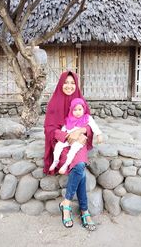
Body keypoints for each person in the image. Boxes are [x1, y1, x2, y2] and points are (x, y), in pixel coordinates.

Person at [44, 71, 96, 231]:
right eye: (66, 82)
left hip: (79, 142)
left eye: (72, 83)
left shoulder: (79, 100)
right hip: (61, 144)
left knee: (79, 165)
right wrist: (67, 136)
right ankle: (84, 210)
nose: (69, 86)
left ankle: (65, 203)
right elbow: (49, 129)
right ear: (61, 84)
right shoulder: (54, 103)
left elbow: (89, 121)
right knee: (80, 167)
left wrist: (82, 132)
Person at [49, 97, 103, 175]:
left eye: (80, 109)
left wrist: (99, 134)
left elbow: (94, 126)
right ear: (71, 110)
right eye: (75, 110)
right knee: (58, 146)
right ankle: (55, 161)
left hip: (79, 140)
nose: (77, 112)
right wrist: (62, 135)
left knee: (73, 150)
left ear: (84, 109)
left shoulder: (87, 118)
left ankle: (66, 165)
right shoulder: (69, 119)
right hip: (69, 138)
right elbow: (64, 128)